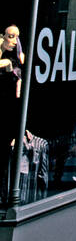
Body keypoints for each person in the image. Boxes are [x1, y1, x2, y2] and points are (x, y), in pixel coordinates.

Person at [0, 26, 24, 205]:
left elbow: (17, 98)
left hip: (7, 116)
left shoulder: (13, 63)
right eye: (10, 37)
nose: (14, 41)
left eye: (17, 38)